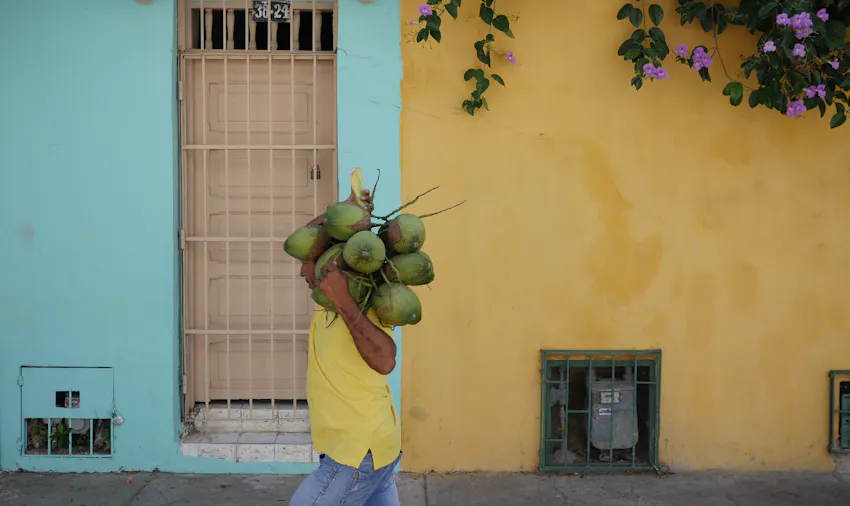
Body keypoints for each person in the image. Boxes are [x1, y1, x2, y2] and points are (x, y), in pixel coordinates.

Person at [290, 188, 402, 506]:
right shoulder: (327, 302)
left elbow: (385, 360)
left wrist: (344, 301)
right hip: (372, 448)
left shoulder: (361, 303)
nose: (301, 271)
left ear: (332, 269)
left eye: (309, 264)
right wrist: (336, 213)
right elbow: (299, 242)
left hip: (356, 452)